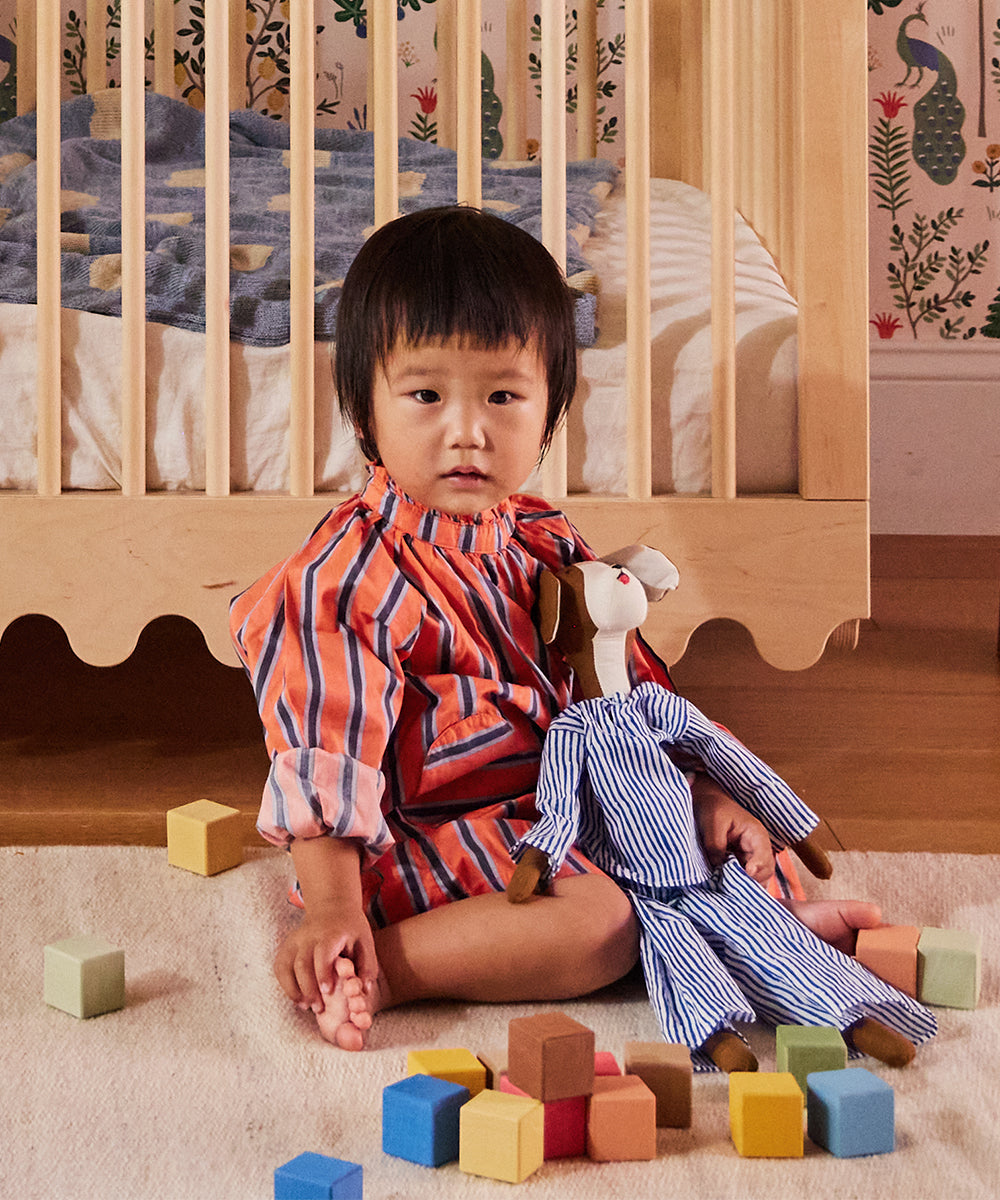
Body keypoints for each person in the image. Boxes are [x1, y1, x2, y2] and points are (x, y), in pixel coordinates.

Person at [231, 206, 883, 1051]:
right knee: (600, 924)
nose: (467, 429)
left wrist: (705, 793)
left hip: (563, 811)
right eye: (426, 395)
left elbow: (628, 697)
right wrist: (333, 909)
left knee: (732, 841)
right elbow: (324, 761)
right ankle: (387, 967)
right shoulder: (343, 581)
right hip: (423, 844)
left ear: (549, 411)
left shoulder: (543, 538)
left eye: (503, 395)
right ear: (365, 411)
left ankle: (759, 934)